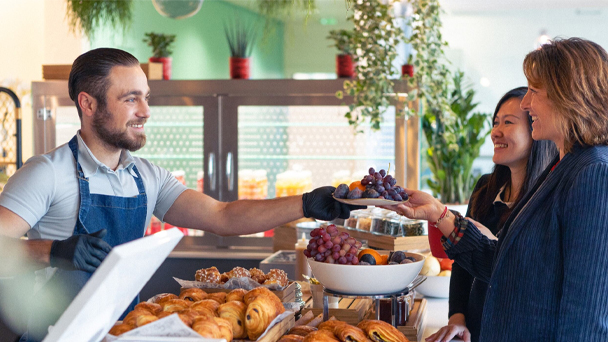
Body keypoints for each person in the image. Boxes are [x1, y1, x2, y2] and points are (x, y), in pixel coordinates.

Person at [0, 48, 363, 342]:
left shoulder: (146, 176)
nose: (145, 111)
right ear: (88, 104)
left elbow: (222, 216)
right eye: (130, 99)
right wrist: (54, 251)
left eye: (145, 97)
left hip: (122, 333)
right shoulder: (47, 173)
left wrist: (304, 204)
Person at [387, 37, 608, 341]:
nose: (527, 104)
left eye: (534, 90)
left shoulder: (593, 172)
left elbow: (584, 312)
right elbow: (506, 266)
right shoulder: (565, 167)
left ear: (567, 94)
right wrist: (439, 214)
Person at [427, 87, 556, 342]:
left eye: (508, 122)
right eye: (496, 122)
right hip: (476, 328)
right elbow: (463, 260)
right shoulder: (486, 188)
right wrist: (457, 316)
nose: (495, 132)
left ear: (537, 130)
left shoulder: (550, 197)